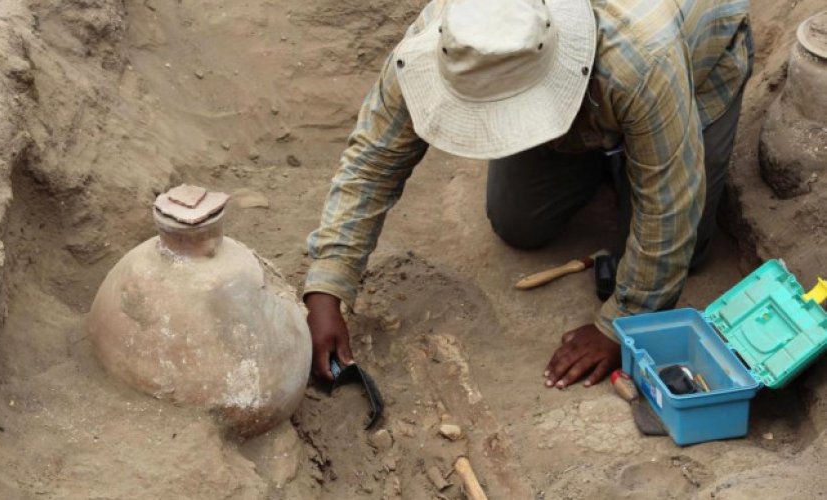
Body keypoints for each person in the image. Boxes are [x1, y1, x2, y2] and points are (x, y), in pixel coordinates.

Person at [303, 0, 753, 389]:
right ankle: (615, 152)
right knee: (518, 221)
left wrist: (620, 324)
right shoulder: (455, 37)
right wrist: (328, 284)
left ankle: (629, 151)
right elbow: (374, 157)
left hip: (695, 65)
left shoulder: (641, 57)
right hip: (604, 97)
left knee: (686, 251)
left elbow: (671, 204)